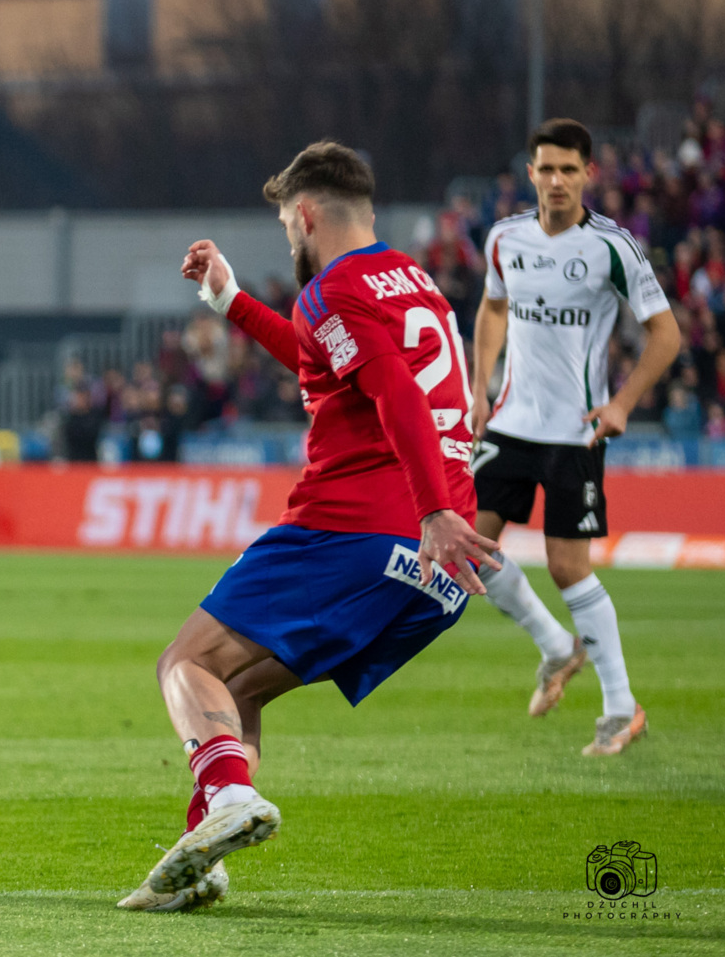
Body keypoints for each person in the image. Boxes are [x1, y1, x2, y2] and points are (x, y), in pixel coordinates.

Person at [119, 142, 498, 913]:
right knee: (236, 687)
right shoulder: (416, 283)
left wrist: (433, 507)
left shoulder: (334, 285)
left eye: (288, 229)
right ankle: (201, 855)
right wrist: (231, 301)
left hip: (358, 527)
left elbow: (391, 386)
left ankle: (226, 796)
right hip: (430, 570)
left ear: (306, 215)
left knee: (185, 665)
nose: (290, 244)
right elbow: (335, 361)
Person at [469, 119, 678, 756]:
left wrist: (621, 403)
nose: (557, 180)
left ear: (589, 174)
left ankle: (621, 710)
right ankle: (556, 646)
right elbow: (493, 308)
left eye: (569, 169)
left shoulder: (614, 247)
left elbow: (666, 334)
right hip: (510, 420)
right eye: (546, 169)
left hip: (574, 432)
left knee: (567, 568)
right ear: (530, 174)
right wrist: (480, 386)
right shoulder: (505, 238)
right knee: (466, 548)